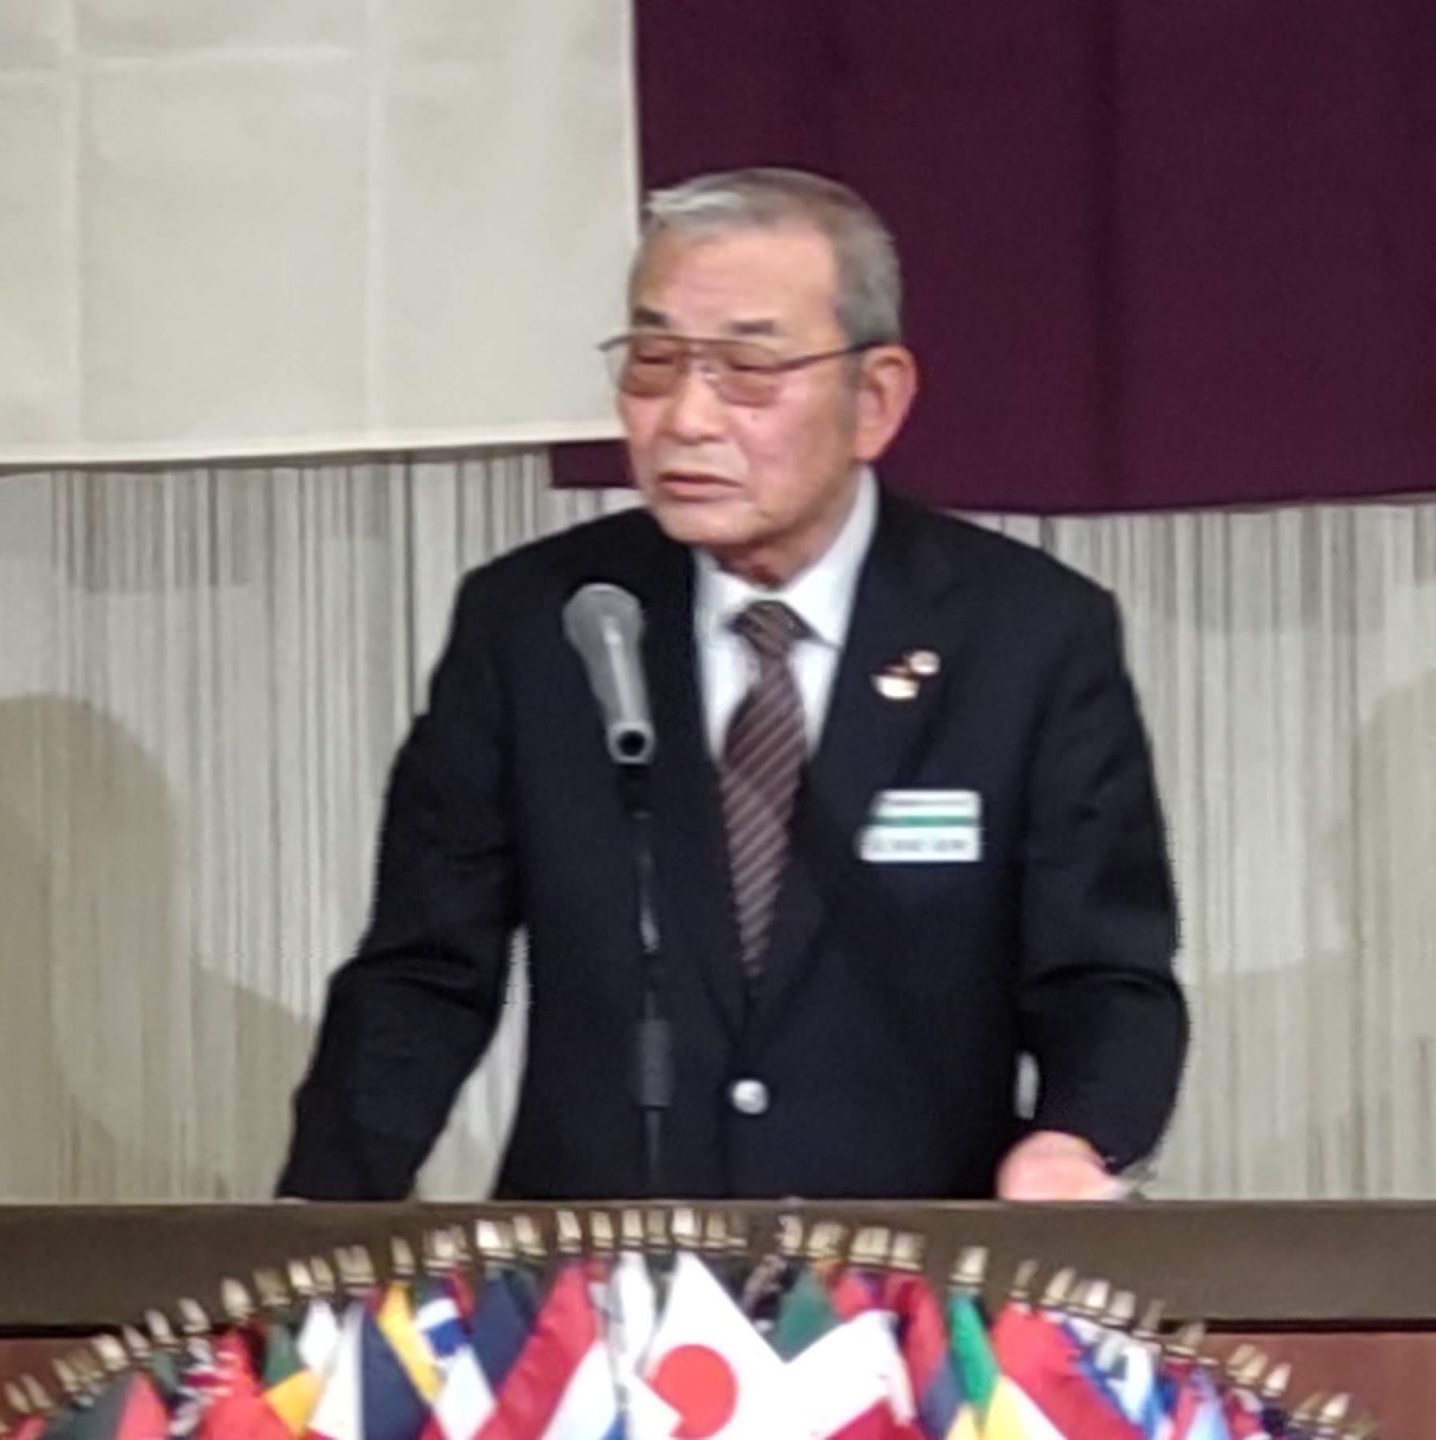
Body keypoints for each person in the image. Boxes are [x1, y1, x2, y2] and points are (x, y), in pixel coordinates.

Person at [277, 168, 1186, 1202]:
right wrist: (318, 1223)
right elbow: (423, 973)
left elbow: (1104, 975)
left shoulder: (1025, 635)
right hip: (592, 1276)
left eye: (748, 370)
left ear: (875, 400)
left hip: (905, 1274)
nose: (686, 418)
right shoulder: (542, 622)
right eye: (654, 362)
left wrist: (1078, 1140)